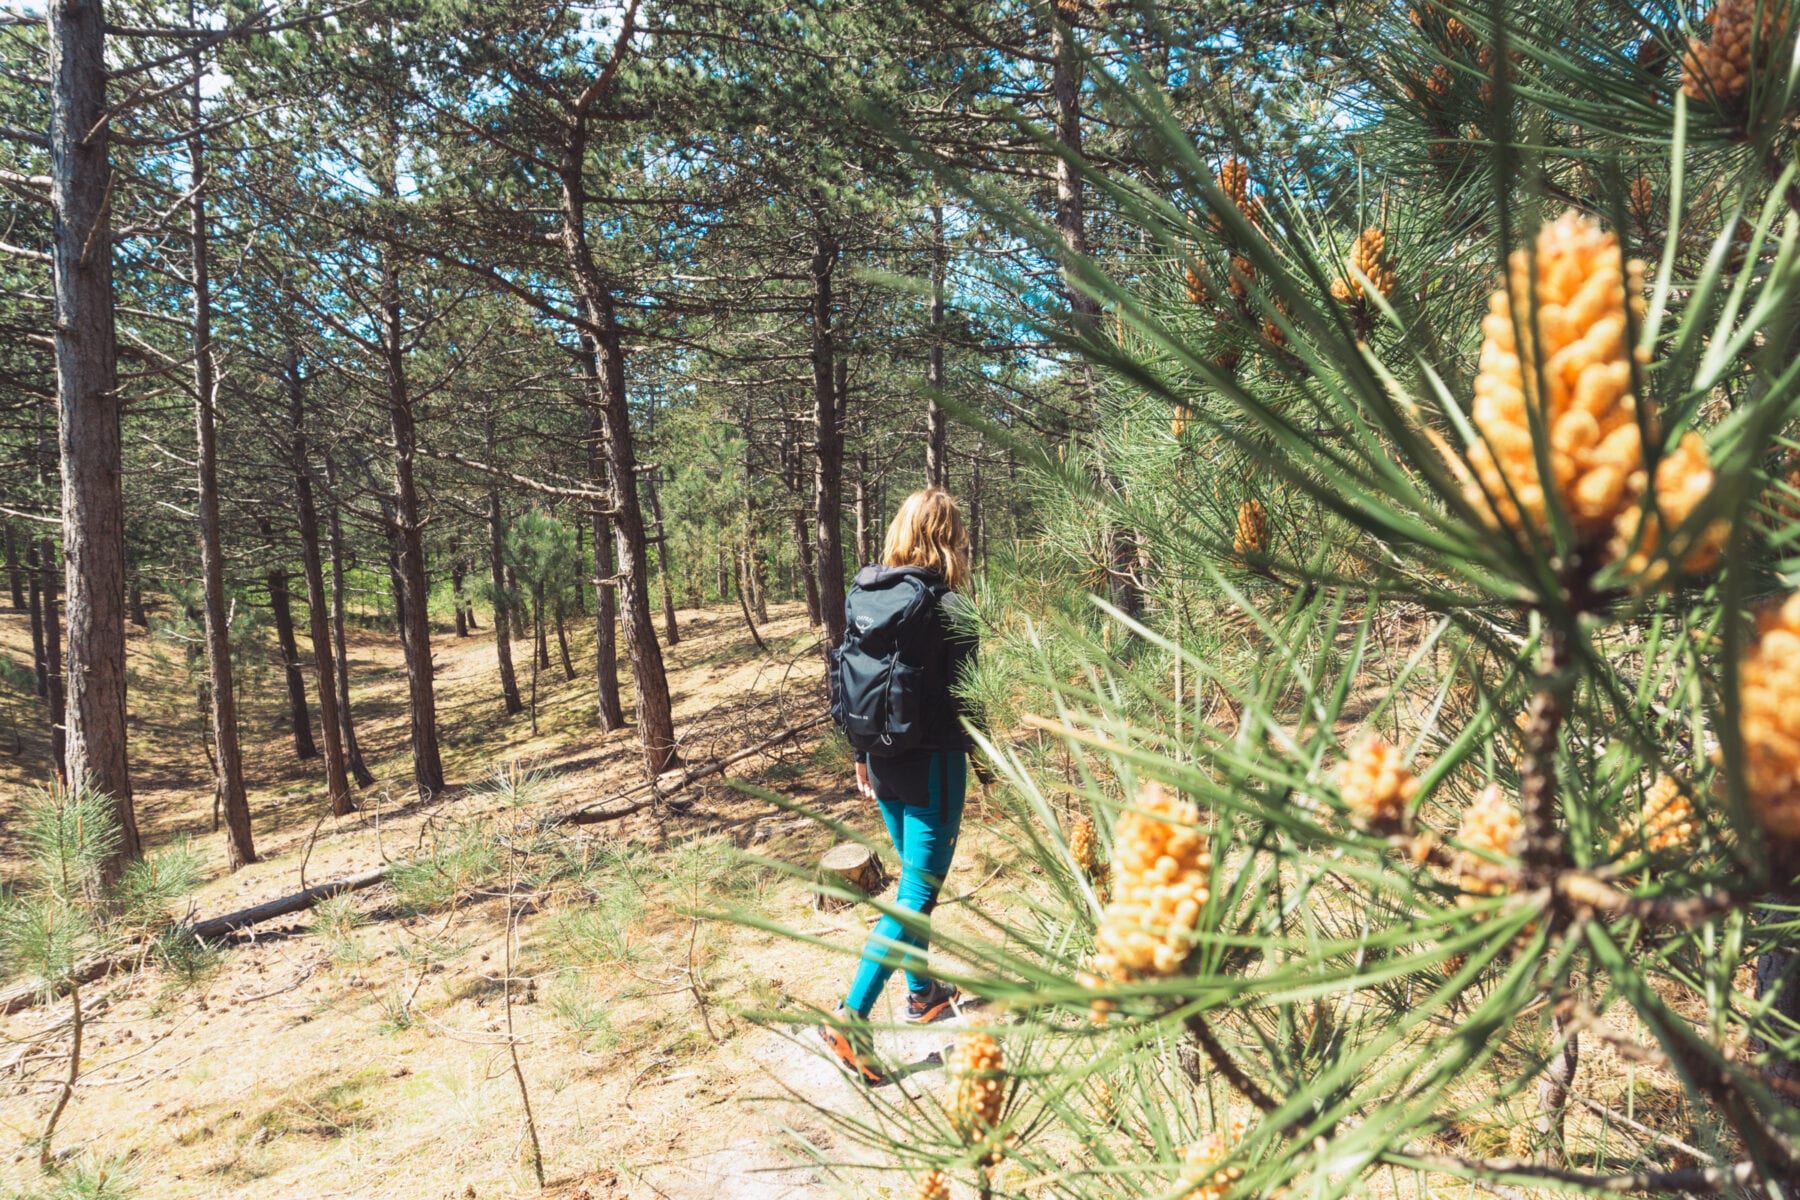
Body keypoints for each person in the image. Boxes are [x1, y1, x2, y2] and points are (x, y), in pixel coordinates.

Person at [819, 487, 981, 1085]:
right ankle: (850, 1017)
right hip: (935, 760)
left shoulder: (869, 592)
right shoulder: (947, 605)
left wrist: (861, 756)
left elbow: (853, 678)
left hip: (883, 759)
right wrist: (987, 761)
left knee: (915, 885)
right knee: (916, 893)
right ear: (950, 537)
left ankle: (922, 995)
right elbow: (970, 694)